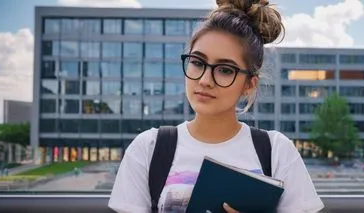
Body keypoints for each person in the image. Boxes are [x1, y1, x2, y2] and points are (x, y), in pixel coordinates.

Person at [108, 0, 324, 212]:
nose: (205, 80)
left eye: (225, 70)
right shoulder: (149, 148)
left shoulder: (277, 151)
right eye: (197, 63)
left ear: (249, 84)